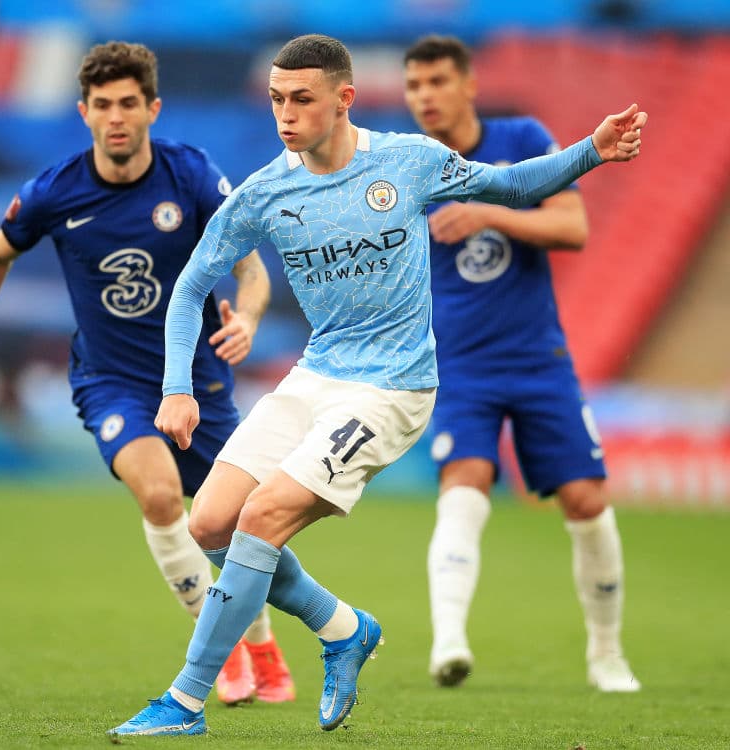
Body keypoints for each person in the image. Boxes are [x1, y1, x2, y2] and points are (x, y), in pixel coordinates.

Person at [108, 33, 646, 737]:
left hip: (392, 387)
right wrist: (176, 387)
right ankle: (343, 627)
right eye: (276, 99)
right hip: (315, 376)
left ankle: (184, 699)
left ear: (344, 99)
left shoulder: (408, 161)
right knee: (208, 522)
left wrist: (592, 151)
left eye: (302, 99)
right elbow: (190, 289)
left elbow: (510, 184)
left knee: (261, 517)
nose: (286, 115)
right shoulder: (267, 191)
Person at [0, 41, 295, 705]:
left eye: (129, 103)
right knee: (159, 498)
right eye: (103, 105)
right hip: (112, 382)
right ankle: (230, 652)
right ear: (84, 112)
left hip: (200, 383)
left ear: (152, 108)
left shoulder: (190, 175)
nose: (116, 117)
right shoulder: (54, 190)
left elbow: (249, 263)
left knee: (235, 525)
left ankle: (264, 647)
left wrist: (247, 314)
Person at [402, 35, 641, 693]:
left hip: (538, 357)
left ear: (469, 85)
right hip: (460, 366)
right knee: (465, 484)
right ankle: (448, 642)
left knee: (587, 499)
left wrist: (488, 213)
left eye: (437, 82)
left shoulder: (523, 136)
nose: (425, 97)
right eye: (415, 86)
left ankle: (606, 654)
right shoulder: (408, 166)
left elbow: (573, 229)